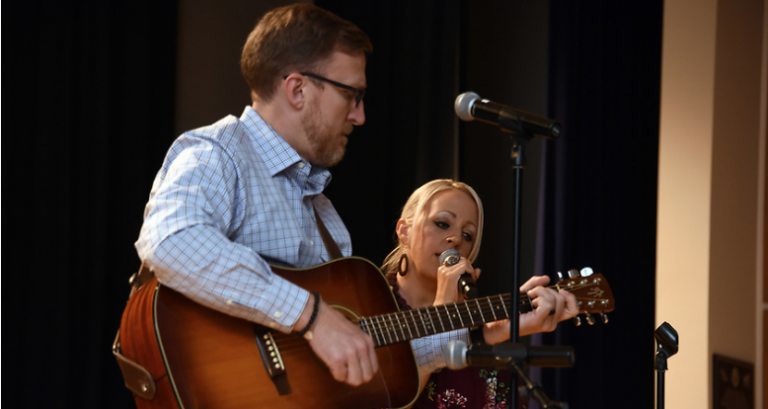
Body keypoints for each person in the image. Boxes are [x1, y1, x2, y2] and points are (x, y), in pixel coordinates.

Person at [135, 3, 378, 387]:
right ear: (298, 89)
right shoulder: (219, 154)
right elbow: (171, 241)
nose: (359, 115)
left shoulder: (325, 211)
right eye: (352, 94)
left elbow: (360, 359)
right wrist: (311, 315)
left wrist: (470, 335)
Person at [380, 179, 578, 408]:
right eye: (443, 223)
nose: (455, 239)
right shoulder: (367, 303)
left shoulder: (482, 330)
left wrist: (505, 325)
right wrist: (444, 306)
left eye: (467, 235)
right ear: (404, 231)